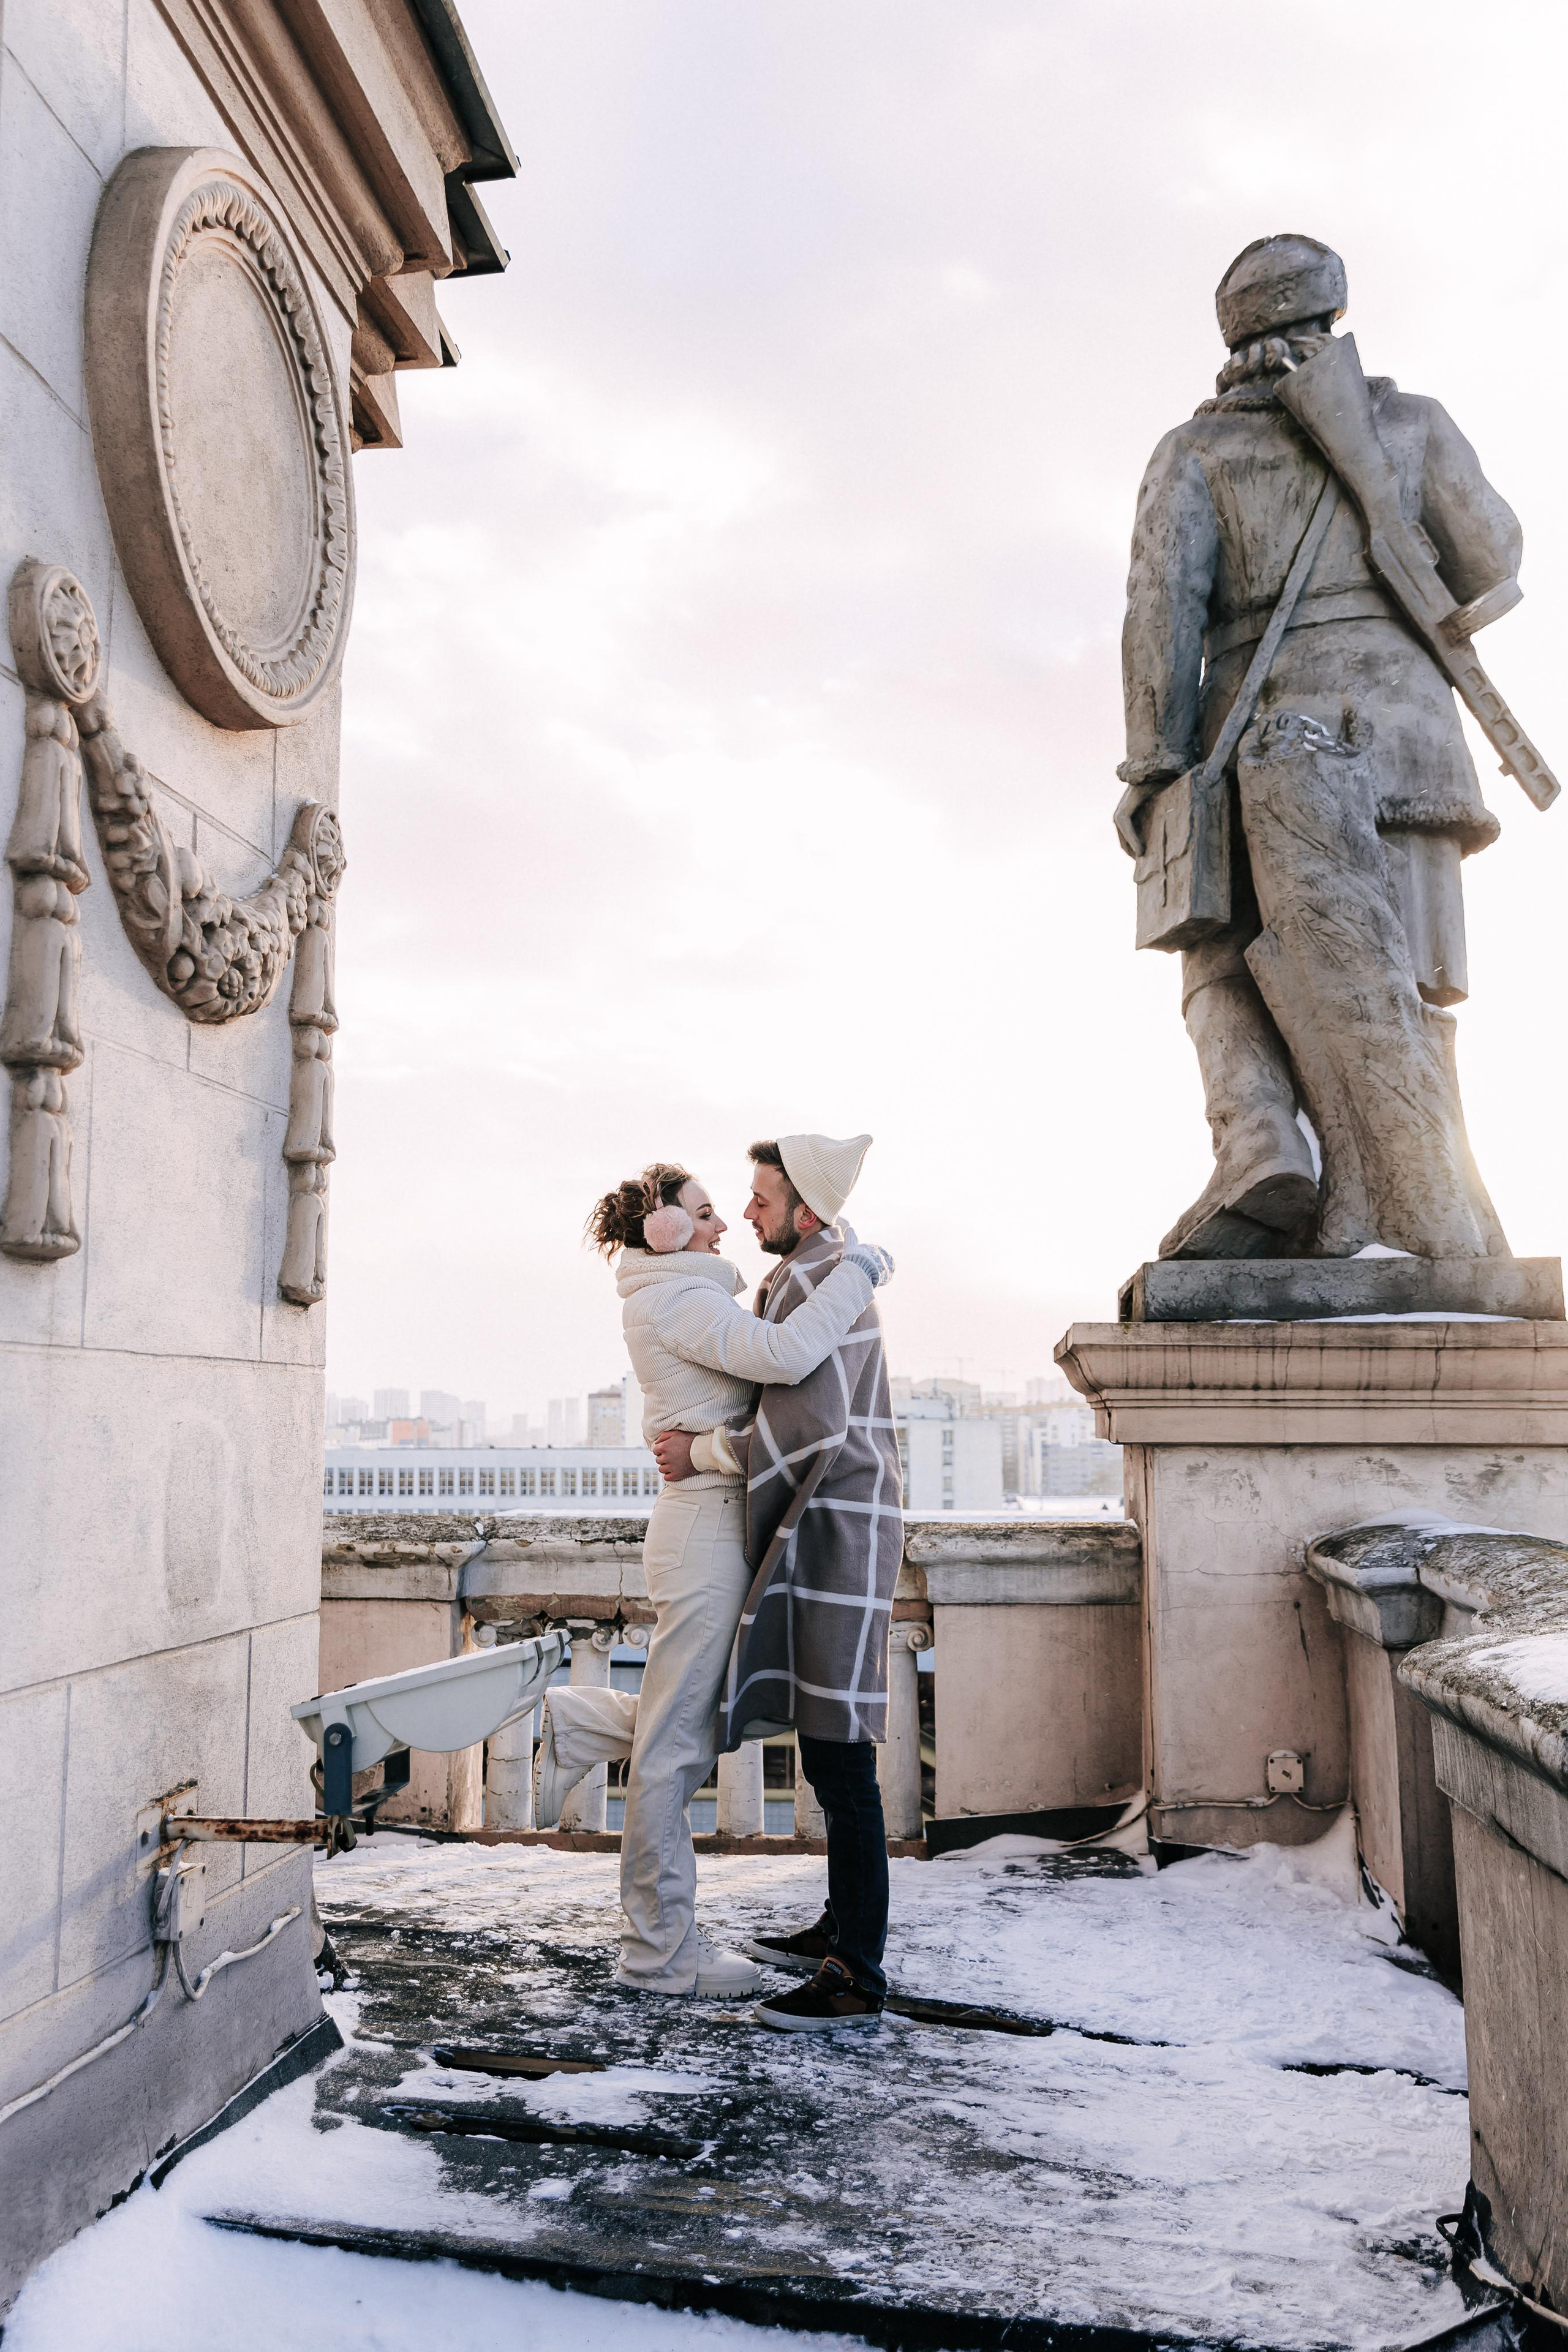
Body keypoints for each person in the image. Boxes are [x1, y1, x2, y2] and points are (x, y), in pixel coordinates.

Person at [1115, 233, 1522, 1261]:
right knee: (1412, 981)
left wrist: (1153, 767)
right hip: (1411, 747)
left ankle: (1260, 1142)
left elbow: (1161, 618)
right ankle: (1432, 1202)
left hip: (1254, 740)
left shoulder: (1194, 452)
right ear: (1334, 316)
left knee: (1217, 947)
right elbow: (1493, 558)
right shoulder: (1414, 424)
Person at [532, 1150, 894, 2000]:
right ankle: (660, 1953)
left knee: (692, 1722)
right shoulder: (682, 1300)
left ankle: (581, 1724)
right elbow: (789, 1355)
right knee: (675, 1751)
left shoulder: (687, 1294)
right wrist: (862, 1267)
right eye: (703, 1211)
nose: (726, 1220)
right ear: (664, 1230)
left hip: (710, 1529)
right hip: (702, 1533)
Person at [657, 1136, 903, 2032]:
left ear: (806, 1210)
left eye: (761, 1199)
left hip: (835, 1533)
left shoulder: (813, 1278)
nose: (748, 1212)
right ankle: (838, 1931)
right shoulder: (816, 1270)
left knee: (843, 1758)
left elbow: (804, 1425)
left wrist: (701, 1452)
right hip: (832, 1528)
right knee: (831, 1751)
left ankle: (855, 1973)